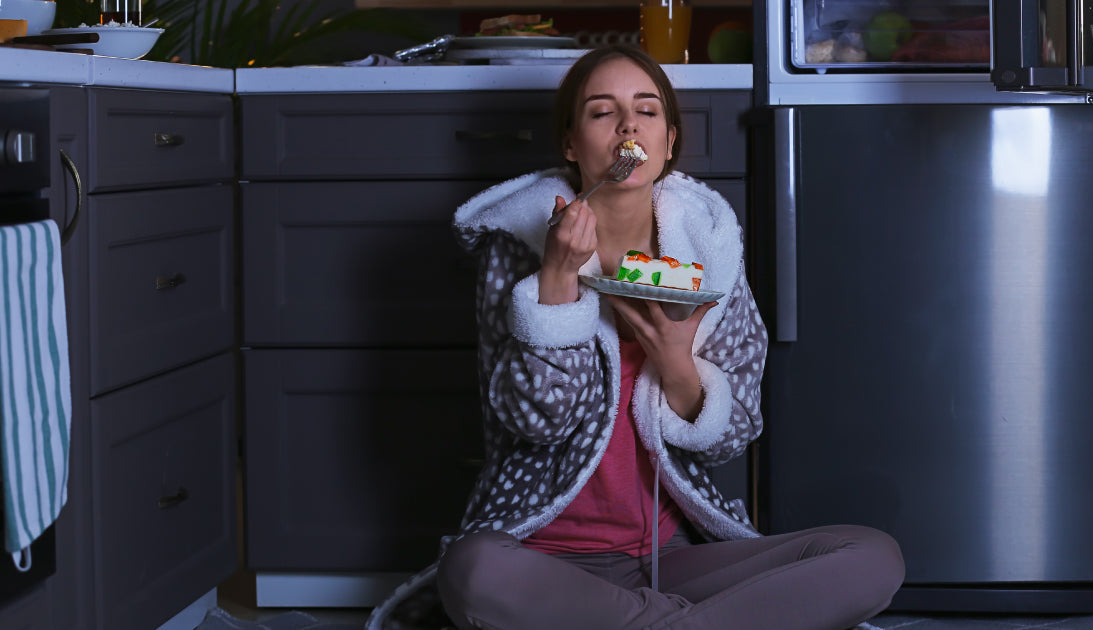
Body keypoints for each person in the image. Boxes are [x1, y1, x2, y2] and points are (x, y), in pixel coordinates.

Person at [368, 44, 904, 630]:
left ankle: (646, 622)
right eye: (602, 112)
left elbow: (734, 435)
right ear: (572, 143)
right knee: (471, 573)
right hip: (540, 560)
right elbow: (535, 423)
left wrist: (676, 364)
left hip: (669, 563)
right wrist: (555, 282)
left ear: (669, 141)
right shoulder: (519, 245)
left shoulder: (709, 249)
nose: (628, 125)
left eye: (646, 111)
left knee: (873, 558)